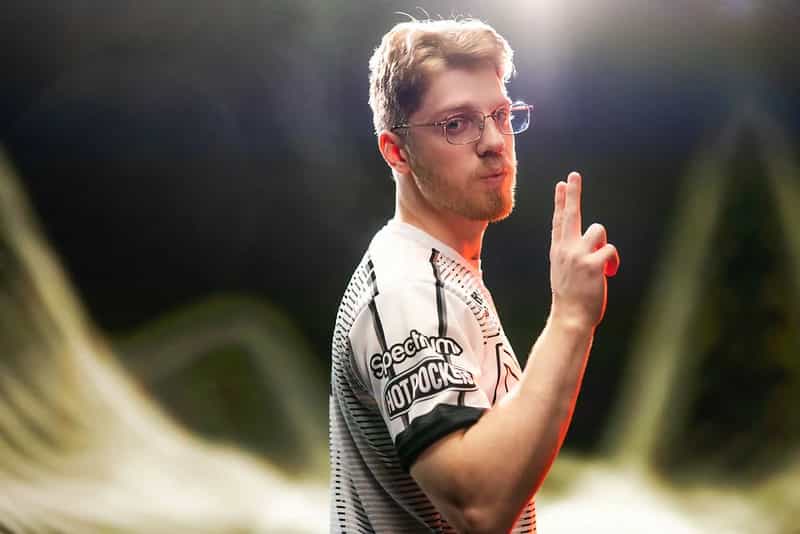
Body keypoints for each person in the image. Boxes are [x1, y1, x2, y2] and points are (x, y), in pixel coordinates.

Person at [329, 17, 620, 533]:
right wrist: (572, 318)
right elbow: (479, 506)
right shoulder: (407, 291)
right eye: (456, 124)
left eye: (501, 115)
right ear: (396, 151)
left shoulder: (441, 270)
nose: (493, 141)